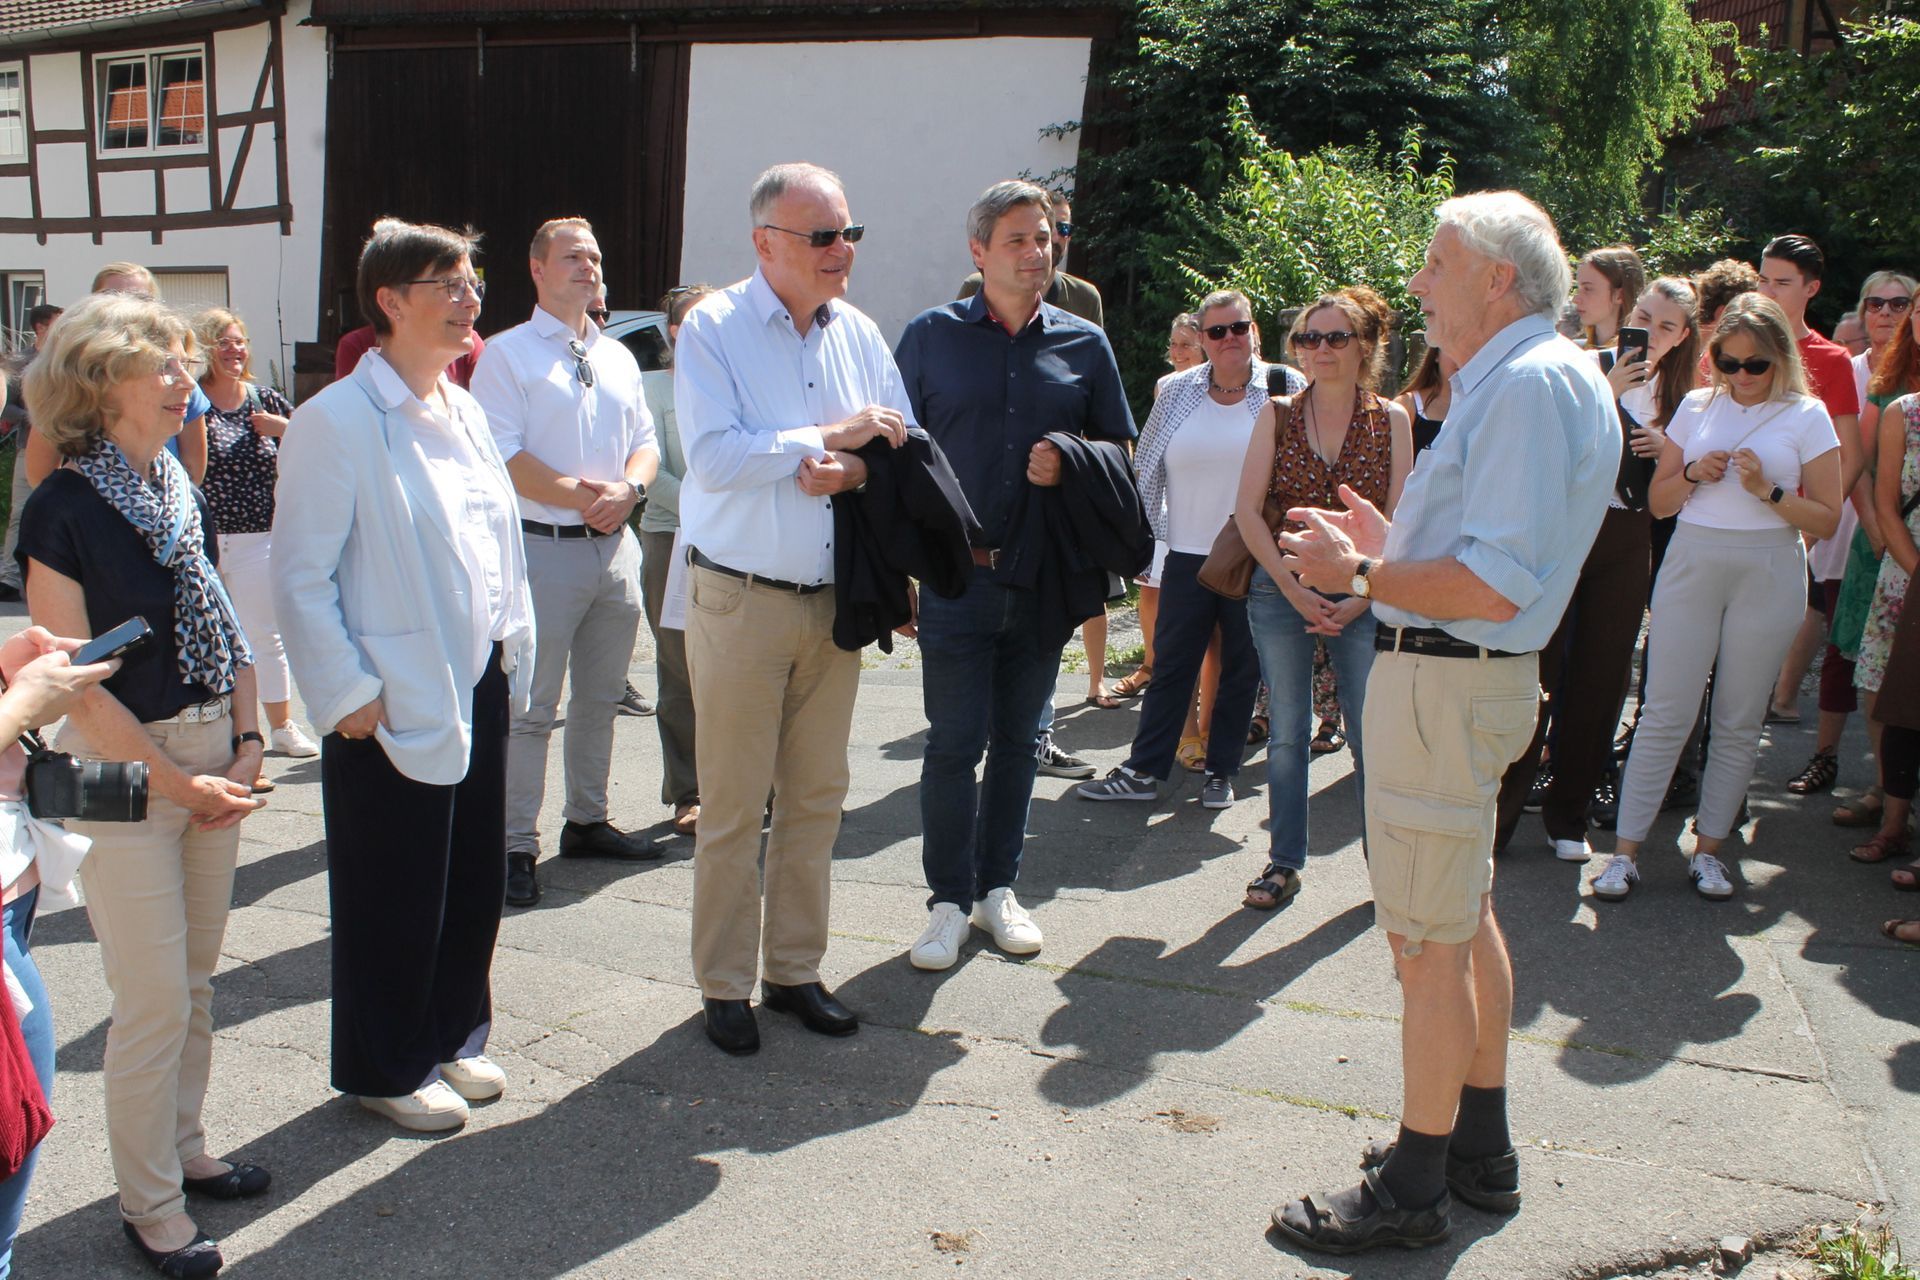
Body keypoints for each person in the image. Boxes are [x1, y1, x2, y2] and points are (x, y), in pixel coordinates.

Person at [1267, 191, 1616, 1255]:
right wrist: (1393, 538)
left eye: (1435, 261)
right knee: (1465, 918)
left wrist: (1364, 569)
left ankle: (1415, 1180)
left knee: (1425, 943)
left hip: (1449, 683)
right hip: (1468, 682)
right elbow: (1486, 553)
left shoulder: (1522, 386)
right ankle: (1480, 1149)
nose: (1416, 281)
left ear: (1498, 279)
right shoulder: (1538, 378)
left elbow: (1496, 582)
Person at [19, 291, 269, 1277]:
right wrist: (180, 781)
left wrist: (248, 739)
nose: (187, 380)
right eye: (164, 363)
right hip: (118, 774)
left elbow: (230, 622)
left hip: (212, 754)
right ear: (101, 381)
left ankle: (183, 1146)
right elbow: (73, 691)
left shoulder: (175, 482)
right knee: (155, 994)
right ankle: (150, 1205)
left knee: (193, 983)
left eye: (185, 362)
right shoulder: (61, 507)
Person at [274, 218, 534, 1134]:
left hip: (475, 676)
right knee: (394, 888)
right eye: (448, 285)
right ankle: (385, 1064)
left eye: (472, 283)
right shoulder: (337, 421)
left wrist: (510, 643)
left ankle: (452, 1034)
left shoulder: (461, 409)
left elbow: (490, 539)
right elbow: (299, 575)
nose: (470, 302)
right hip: (386, 694)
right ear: (390, 302)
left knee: (467, 876)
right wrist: (346, 695)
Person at [675, 162, 909, 1053]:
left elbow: (902, 442)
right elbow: (715, 458)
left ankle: (795, 972)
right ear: (765, 243)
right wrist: (828, 437)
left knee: (817, 798)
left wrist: (853, 468)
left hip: (832, 602)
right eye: (823, 236)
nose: (842, 251)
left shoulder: (858, 332)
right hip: (740, 600)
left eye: (850, 233)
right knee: (735, 806)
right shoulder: (715, 329)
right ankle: (725, 985)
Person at [897, 179, 1136, 972]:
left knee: (1018, 745)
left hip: (1041, 580)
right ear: (979, 252)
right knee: (951, 745)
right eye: (1019, 241)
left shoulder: (1083, 344)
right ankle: (945, 903)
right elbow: (892, 462)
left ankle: (998, 891)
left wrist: (1068, 462)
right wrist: (899, 570)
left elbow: (1120, 457)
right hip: (955, 580)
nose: (1038, 253)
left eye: (1046, 239)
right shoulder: (930, 338)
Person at [1593, 293, 1841, 904]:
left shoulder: (1808, 414)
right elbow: (1659, 502)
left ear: (1779, 358)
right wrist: (1695, 474)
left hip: (1769, 565)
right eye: (1727, 362)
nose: (1739, 376)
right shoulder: (1698, 406)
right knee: (1665, 712)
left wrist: (1770, 491)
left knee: (1737, 719)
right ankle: (1623, 853)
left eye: (1754, 365)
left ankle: (1710, 852)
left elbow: (1829, 518)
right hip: (1693, 559)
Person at [470, 217, 661, 909]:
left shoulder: (614, 355)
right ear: (538, 270)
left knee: (602, 698)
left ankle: (588, 819)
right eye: (573, 256)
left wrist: (630, 491)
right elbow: (505, 455)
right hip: (543, 551)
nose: (589, 267)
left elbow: (646, 443)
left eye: (595, 256)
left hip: (613, 550)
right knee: (530, 708)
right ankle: (515, 844)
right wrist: (588, 499)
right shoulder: (507, 354)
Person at [1210, 287, 1410, 909]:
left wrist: (1360, 595)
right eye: (1308, 338)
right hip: (1280, 590)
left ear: (1366, 346)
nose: (1320, 350)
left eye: (1335, 337)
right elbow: (1247, 512)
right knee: (1289, 730)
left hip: (1362, 594)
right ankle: (1282, 863)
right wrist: (1295, 593)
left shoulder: (1393, 419)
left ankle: (1388, 870)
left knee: (1369, 733)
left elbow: (1402, 521)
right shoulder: (1276, 413)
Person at [1494, 277, 1699, 863]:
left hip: (1628, 537)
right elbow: (1544, 446)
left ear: (1684, 336)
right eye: (1643, 318)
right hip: (1564, 530)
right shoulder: (1582, 367)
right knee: (1537, 669)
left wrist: (1671, 455)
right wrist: (1602, 393)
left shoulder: (1689, 397)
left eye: (1665, 326)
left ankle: (1568, 817)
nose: (1650, 334)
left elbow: (1672, 496)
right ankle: (1500, 819)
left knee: (1602, 675)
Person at [1076, 288, 1288, 818]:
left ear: (1254, 332)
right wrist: (1145, 547)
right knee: (1170, 665)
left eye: (1238, 328)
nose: (1229, 340)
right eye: (1216, 332)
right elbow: (1146, 466)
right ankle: (1145, 769)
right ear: (1203, 339)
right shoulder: (1176, 390)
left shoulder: (1286, 387)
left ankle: (1221, 772)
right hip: (1186, 552)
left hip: (1254, 554)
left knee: (1242, 666)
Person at [1750, 236, 1863, 797]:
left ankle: (1729, 797)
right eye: (1763, 278)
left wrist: (1816, 523)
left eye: (1782, 282)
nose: (1766, 290)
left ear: (1812, 289)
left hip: (1786, 535)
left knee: (1752, 673)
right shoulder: (1727, 348)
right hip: (1715, 532)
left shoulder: (1830, 359)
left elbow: (1850, 453)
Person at [193, 308, 318, 791]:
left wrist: (283, 429)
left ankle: (282, 727)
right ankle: (226, 738)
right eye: (222, 343)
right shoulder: (191, 402)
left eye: (240, 342)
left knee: (263, 636)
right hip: (204, 539)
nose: (234, 350)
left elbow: (318, 441)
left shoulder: (264, 399)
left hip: (257, 536)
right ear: (204, 350)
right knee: (212, 639)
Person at [1832, 282, 1920, 830]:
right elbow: (1862, 467)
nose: (1888, 313)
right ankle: (1890, 800)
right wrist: (1885, 538)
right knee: (1880, 685)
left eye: (1899, 302)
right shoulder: (1893, 394)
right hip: (1893, 550)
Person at [638, 284, 715, 839]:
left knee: (744, 667)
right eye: (691, 323)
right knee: (679, 669)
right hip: (672, 539)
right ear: (671, 333)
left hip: (737, 541)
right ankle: (687, 791)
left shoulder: (736, 385)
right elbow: (646, 466)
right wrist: (703, 503)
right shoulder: (651, 388)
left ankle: (757, 785)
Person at [23, 267, 209, 490]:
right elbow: (41, 474)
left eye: (139, 298)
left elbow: (194, 469)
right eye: (111, 297)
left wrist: (162, 504)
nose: (126, 307)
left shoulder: (181, 382)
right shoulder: (74, 384)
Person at [1120, 311, 1209, 705]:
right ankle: (1151, 664)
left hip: (1202, 504)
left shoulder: (1222, 385)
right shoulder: (1165, 386)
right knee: (1151, 589)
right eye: (1172, 344)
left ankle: (1202, 675)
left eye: (1185, 344)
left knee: (1199, 593)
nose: (1176, 352)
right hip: (1165, 501)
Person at [0, 305, 62, 604]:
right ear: (40, 327)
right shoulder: (21, 362)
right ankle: (9, 579)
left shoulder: (69, 358)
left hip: (70, 449)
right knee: (20, 512)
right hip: (29, 446)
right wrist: (32, 417)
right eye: (57, 323)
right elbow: (4, 405)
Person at [332, 320, 484, 388]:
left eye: (474, 286)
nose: (473, 301)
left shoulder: (470, 343)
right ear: (390, 301)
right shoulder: (356, 343)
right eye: (451, 287)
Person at [1572, 245, 1646, 351]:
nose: (1575, 299)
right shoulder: (1575, 351)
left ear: (1619, 295)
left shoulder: (1637, 356)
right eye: (1578, 288)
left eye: (1588, 289)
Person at [1395, 345, 1457, 456]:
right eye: (1454, 348)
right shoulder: (1407, 405)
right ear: (1436, 355)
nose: (1459, 356)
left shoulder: (1482, 406)